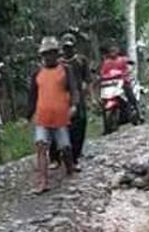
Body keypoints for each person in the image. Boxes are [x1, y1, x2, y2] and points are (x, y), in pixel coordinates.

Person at [27, 36, 80, 194]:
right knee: (41, 146)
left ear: (57, 54)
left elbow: (74, 89)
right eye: (46, 54)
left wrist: (74, 105)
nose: (49, 57)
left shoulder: (65, 69)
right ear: (42, 56)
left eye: (52, 53)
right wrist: (28, 115)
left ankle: (70, 168)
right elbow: (32, 95)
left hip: (61, 116)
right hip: (42, 116)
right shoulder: (37, 72)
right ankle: (43, 181)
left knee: (65, 146)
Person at [60, 33, 91, 165]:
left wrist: (86, 91)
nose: (68, 50)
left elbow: (87, 79)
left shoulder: (81, 60)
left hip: (79, 97)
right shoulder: (59, 63)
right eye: (65, 47)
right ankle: (65, 152)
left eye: (70, 47)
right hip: (62, 98)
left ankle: (77, 152)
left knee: (81, 123)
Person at [99, 42, 142, 127]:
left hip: (123, 81)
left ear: (118, 51)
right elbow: (102, 72)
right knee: (103, 101)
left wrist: (128, 70)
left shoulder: (123, 59)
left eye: (114, 50)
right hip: (110, 84)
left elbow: (130, 65)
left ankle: (138, 113)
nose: (113, 52)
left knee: (130, 95)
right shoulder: (106, 62)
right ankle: (106, 125)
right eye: (111, 51)